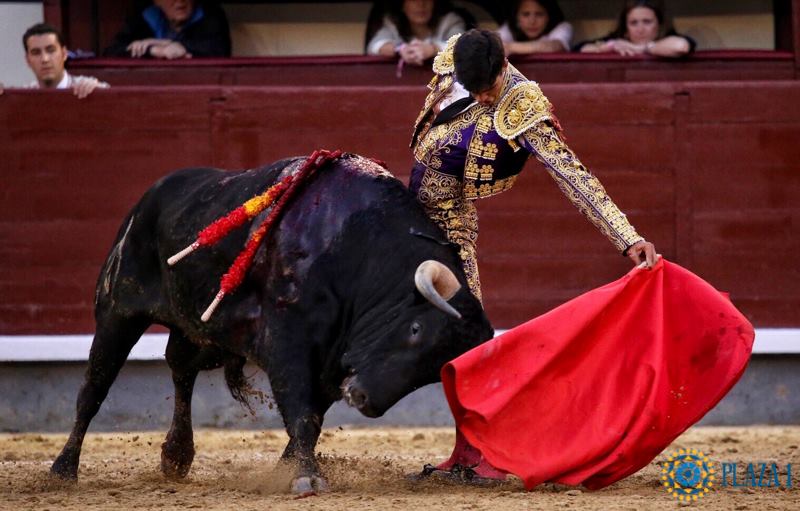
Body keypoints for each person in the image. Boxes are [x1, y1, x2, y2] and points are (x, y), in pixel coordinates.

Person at [408, 29, 751, 489]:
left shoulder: (523, 105)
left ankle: (477, 452)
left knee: (467, 339)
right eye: (478, 89)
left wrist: (627, 238)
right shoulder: (457, 58)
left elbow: (572, 176)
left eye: (489, 87)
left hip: (451, 225)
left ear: (503, 68)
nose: (486, 96)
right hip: (407, 209)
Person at [104, 0, 231, 59]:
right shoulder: (144, 16)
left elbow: (219, 50)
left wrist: (175, 45)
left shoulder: (210, 14)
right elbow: (112, 52)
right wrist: (153, 50)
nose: (180, 1)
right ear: (156, 1)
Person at [577, 0, 694, 57]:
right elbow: (581, 48)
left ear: (660, 24)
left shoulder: (669, 37)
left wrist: (641, 49)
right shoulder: (619, 41)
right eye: (634, 23)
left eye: (647, 22)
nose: (640, 29)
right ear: (626, 27)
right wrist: (609, 46)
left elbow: (681, 46)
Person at [366, 0, 467, 66]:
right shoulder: (392, 23)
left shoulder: (450, 21)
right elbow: (375, 45)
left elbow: (463, 45)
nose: (421, 4)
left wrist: (433, 49)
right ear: (403, 5)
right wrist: (401, 49)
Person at [21, 23, 108, 99]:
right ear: (28, 60)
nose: (45, 59)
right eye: (36, 53)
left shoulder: (88, 88)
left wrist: (98, 92)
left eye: (51, 50)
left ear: (64, 54)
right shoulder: (21, 97)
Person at [498, 0, 572, 55]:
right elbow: (494, 44)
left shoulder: (562, 26)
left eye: (539, 14)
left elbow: (556, 46)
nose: (532, 21)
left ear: (549, 16)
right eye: (526, 14)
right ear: (516, 17)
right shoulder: (509, 28)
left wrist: (511, 47)